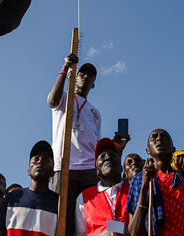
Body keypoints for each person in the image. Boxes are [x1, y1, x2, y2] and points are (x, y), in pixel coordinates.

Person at [48, 54, 129, 203]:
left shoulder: (95, 112)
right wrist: (65, 68)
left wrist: (116, 146)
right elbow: (52, 101)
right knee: (62, 217)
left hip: (90, 169)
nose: (86, 76)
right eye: (82, 73)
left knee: (90, 214)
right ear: (75, 77)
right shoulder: (64, 97)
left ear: (93, 84)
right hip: (64, 164)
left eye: (91, 76)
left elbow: (97, 143)